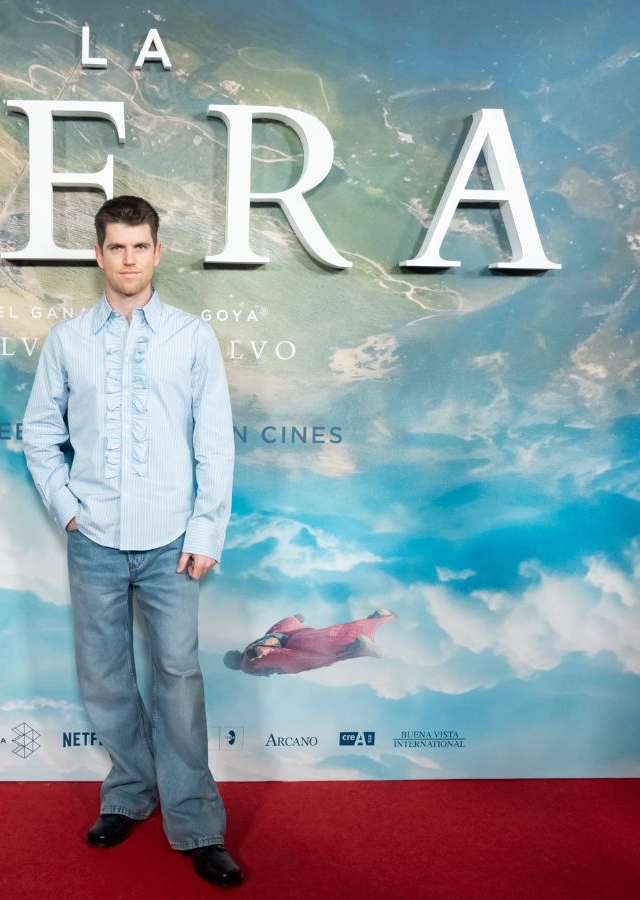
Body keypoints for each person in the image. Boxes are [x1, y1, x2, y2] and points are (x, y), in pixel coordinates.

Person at [22, 196, 241, 887]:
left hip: (172, 540)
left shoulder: (191, 336)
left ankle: (197, 826)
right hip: (94, 538)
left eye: (139, 247)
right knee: (106, 678)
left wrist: (207, 529)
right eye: (115, 247)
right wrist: (68, 509)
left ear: (156, 252)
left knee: (178, 679)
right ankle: (128, 795)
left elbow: (214, 442)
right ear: (98, 254)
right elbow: (37, 432)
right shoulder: (67, 341)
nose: (127, 259)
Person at [223, 610, 397, 676]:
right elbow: (272, 634)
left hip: (286, 651)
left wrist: (261, 652)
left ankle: (357, 646)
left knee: (321, 655)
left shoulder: (247, 662)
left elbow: (261, 648)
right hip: (287, 637)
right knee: (323, 638)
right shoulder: (246, 656)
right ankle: (373, 620)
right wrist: (292, 619)